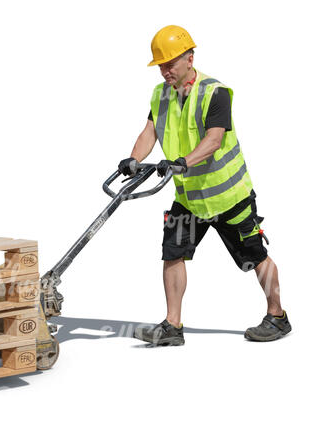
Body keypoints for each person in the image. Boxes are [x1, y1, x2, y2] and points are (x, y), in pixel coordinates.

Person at [119, 25, 291, 345]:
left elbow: (213, 140)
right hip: (189, 198)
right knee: (172, 252)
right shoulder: (161, 94)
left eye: (170, 63)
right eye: (160, 64)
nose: (165, 70)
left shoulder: (215, 92)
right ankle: (172, 327)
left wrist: (183, 161)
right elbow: (149, 132)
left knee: (254, 256)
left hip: (230, 198)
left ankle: (278, 316)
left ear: (190, 58)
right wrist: (132, 160)